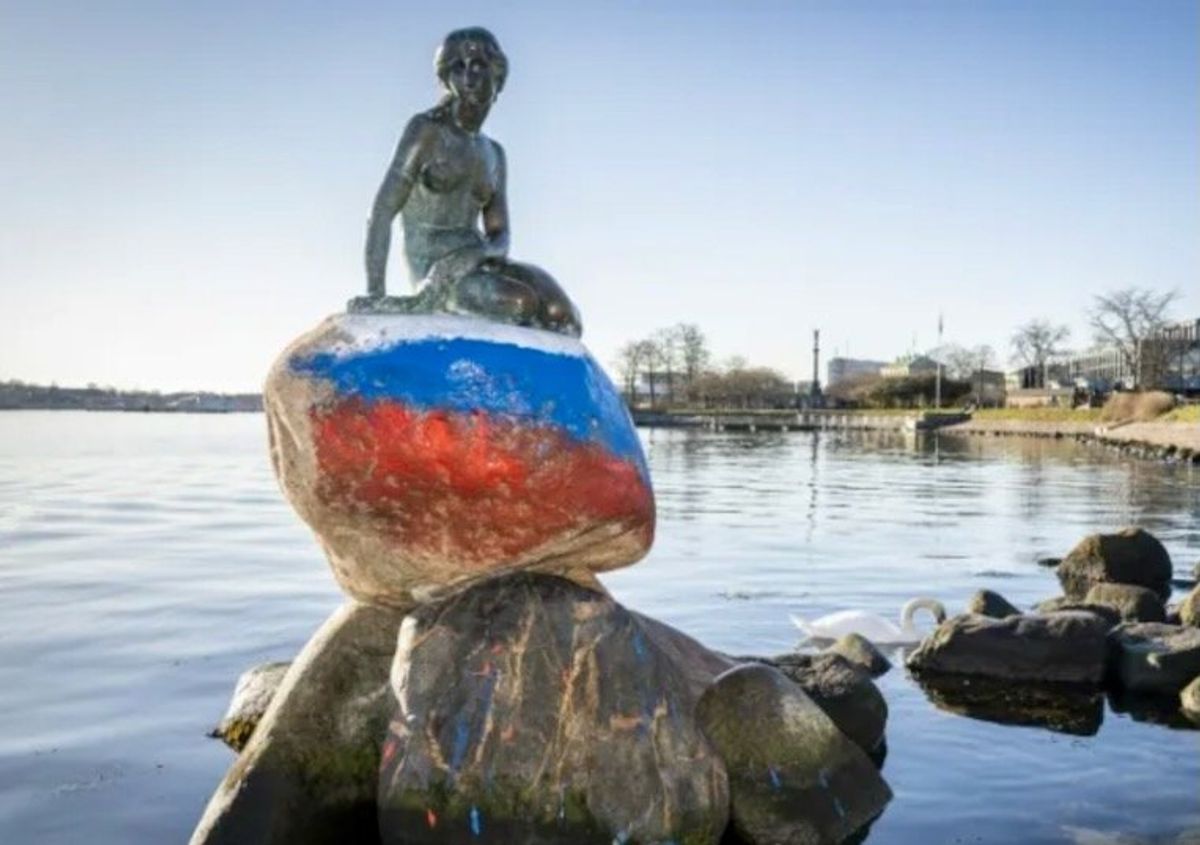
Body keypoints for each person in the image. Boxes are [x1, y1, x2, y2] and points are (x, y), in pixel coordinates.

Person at [356, 27, 582, 337]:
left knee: (562, 315)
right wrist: (375, 294)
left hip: (480, 261)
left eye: (477, 64)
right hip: (438, 272)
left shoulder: (495, 154)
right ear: (446, 78)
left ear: (497, 74)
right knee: (521, 304)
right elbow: (381, 212)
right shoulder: (426, 131)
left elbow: (500, 235)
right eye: (457, 67)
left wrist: (477, 255)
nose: (468, 76)